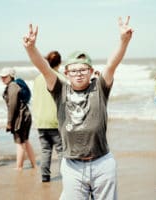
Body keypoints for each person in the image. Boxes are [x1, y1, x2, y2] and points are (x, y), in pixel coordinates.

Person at [24, 16, 133, 200]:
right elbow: (43, 68)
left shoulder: (99, 87)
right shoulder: (60, 89)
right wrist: (31, 48)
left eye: (83, 70)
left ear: (91, 71)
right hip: (72, 165)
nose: (79, 74)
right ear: (66, 73)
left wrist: (124, 40)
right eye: (74, 71)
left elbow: (112, 64)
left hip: (102, 163)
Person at [32, 51, 63, 182]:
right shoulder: (60, 77)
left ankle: (45, 177)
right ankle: (64, 176)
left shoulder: (38, 78)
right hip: (55, 120)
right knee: (61, 151)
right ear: (59, 63)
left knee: (45, 150)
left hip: (40, 120)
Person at [0, 67, 37, 170]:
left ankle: (19, 167)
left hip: (21, 118)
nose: (2, 79)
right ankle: (34, 164)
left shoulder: (12, 86)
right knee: (25, 141)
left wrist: (9, 122)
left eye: (5, 77)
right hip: (25, 115)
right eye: (1, 77)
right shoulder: (14, 85)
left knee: (20, 143)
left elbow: (13, 106)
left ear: (11, 76)